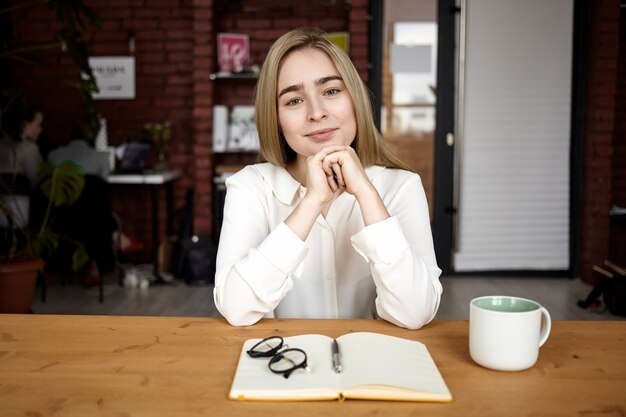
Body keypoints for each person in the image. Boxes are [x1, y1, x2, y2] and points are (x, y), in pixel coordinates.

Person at [213, 27, 443, 330]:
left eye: (331, 91)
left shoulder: (401, 187)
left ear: (355, 99)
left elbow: (416, 313)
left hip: (373, 364)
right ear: (275, 116)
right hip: (283, 364)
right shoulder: (250, 187)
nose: (316, 112)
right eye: (294, 100)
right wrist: (311, 202)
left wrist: (366, 194)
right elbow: (236, 307)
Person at [0, 107, 44, 187]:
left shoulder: (1, 144)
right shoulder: (30, 149)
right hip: (21, 198)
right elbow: (36, 182)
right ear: (26, 124)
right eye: (39, 125)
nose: (40, 130)